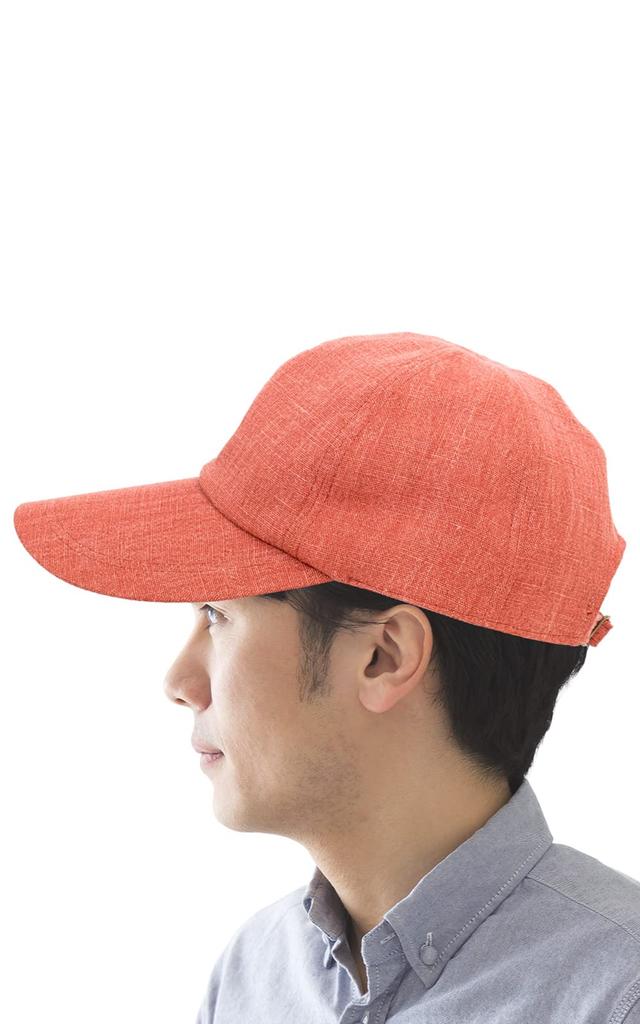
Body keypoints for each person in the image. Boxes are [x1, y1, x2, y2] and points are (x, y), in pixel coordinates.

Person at [13, 331, 638, 1023]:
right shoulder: (254, 974)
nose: (179, 681)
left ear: (384, 657)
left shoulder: (617, 994)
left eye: (218, 615)